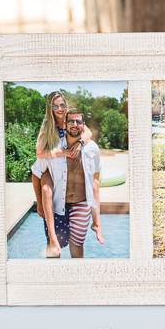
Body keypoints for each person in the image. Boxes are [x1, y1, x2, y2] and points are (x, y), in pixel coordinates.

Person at [31, 108, 103, 258]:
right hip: (58, 205)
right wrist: (39, 203)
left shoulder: (92, 149)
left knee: (77, 246)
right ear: (65, 123)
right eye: (71, 121)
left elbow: (95, 184)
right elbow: (36, 173)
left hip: (81, 204)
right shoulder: (53, 148)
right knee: (54, 247)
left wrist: (97, 221)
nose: (74, 124)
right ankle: (53, 279)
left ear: (84, 125)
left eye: (78, 121)